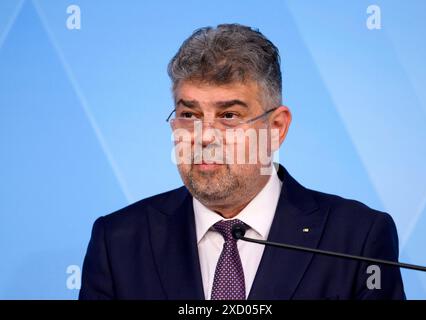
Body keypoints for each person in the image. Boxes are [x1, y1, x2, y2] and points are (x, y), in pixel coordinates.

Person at [79, 24, 405, 300]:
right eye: (189, 115)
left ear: (276, 128)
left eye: (229, 115)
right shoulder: (118, 240)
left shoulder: (357, 238)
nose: (204, 136)